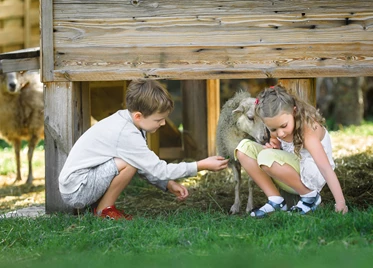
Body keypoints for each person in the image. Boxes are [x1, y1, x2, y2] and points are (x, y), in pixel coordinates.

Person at [59, 80, 229, 220]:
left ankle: (100, 207)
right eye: (159, 119)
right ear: (138, 116)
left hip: (81, 182)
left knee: (130, 162)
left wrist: (167, 184)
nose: (163, 124)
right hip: (77, 189)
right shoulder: (125, 133)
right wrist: (200, 165)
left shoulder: (130, 122)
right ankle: (104, 211)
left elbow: (144, 165)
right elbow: (159, 169)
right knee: (127, 164)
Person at [235, 85, 348, 218]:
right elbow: (276, 142)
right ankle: (276, 200)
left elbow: (325, 168)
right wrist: (274, 147)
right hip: (293, 169)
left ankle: (310, 198)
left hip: (313, 174)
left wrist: (340, 203)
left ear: (294, 112)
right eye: (273, 129)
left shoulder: (307, 130)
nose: (280, 133)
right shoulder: (277, 127)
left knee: (266, 157)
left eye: (284, 126)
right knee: (244, 148)